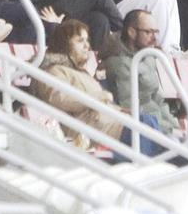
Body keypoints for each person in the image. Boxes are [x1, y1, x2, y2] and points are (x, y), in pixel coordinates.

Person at [33, 19, 168, 158]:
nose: (87, 46)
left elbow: (102, 103)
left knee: (153, 126)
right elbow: (58, 98)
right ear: (64, 44)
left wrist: (121, 110)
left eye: (87, 40)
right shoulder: (53, 71)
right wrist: (97, 98)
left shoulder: (82, 73)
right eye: (80, 41)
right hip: (91, 133)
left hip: (110, 126)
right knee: (150, 128)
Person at [101, 10, 188, 160]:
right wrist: (165, 129)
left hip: (161, 126)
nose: (154, 38)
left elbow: (157, 98)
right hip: (141, 131)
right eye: (148, 32)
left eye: (156, 32)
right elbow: (129, 105)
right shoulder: (117, 62)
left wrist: (173, 126)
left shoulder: (148, 56)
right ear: (131, 32)